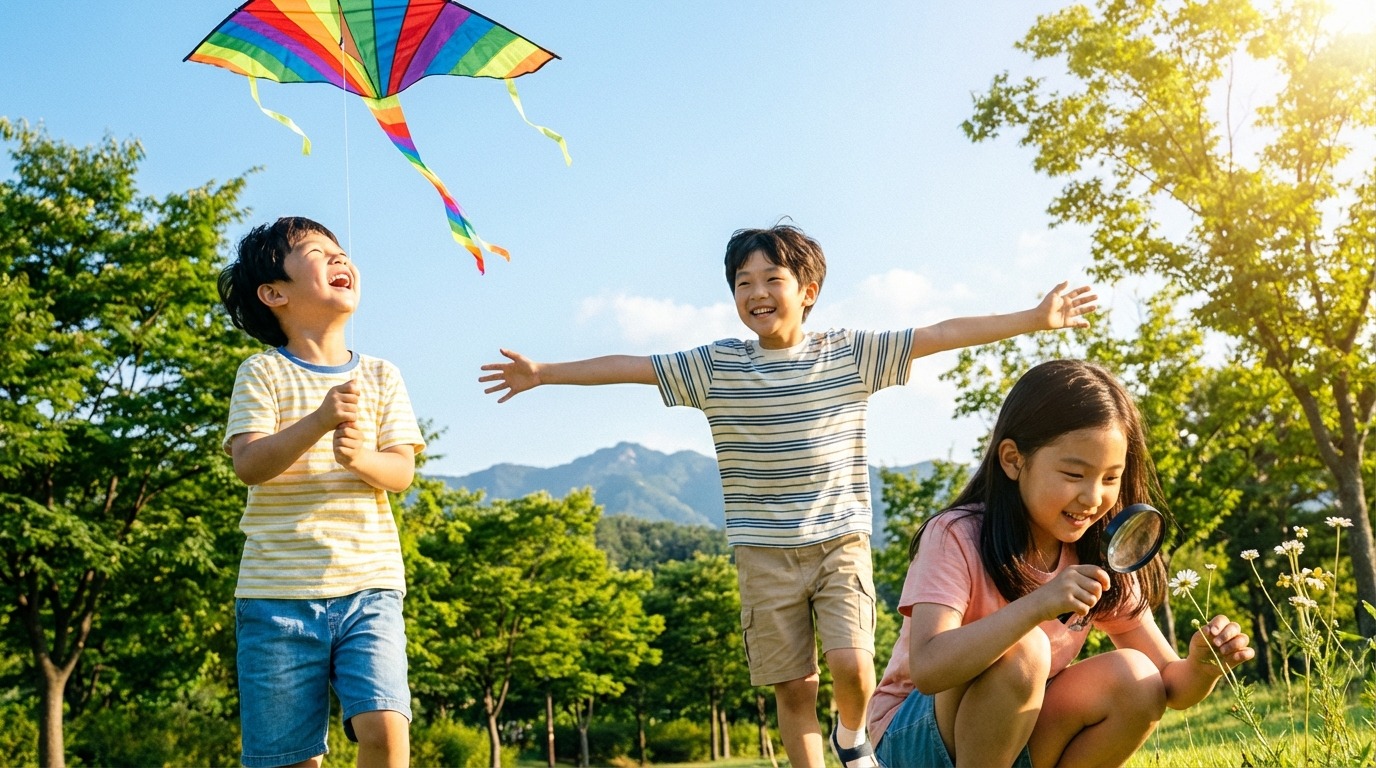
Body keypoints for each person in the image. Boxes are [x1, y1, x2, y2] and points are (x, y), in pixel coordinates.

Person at [479, 223, 1097, 768]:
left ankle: (852, 736)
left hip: (839, 543)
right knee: (793, 687)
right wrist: (544, 373)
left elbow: (938, 332)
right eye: (742, 283)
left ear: (807, 291)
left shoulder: (850, 354)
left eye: (770, 278)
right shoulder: (716, 367)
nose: (756, 294)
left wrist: (1031, 318)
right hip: (763, 555)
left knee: (852, 667)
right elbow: (631, 366)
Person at [866, 359, 1255, 768]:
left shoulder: (1097, 549)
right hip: (913, 739)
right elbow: (928, 667)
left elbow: (1169, 685)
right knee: (1025, 649)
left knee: (1136, 680)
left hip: (1009, 734)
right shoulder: (956, 534)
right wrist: (1038, 605)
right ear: (1014, 460)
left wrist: (1202, 666)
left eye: (1110, 478)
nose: (1092, 498)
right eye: (1074, 474)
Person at [218, 216, 425, 768]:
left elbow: (401, 472)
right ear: (274, 293)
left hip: (370, 587)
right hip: (276, 598)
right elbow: (249, 463)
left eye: (340, 251)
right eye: (317, 252)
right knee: (291, 760)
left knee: (385, 728)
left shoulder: (382, 376)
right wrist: (319, 420)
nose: (339, 259)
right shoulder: (261, 373)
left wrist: (361, 459)